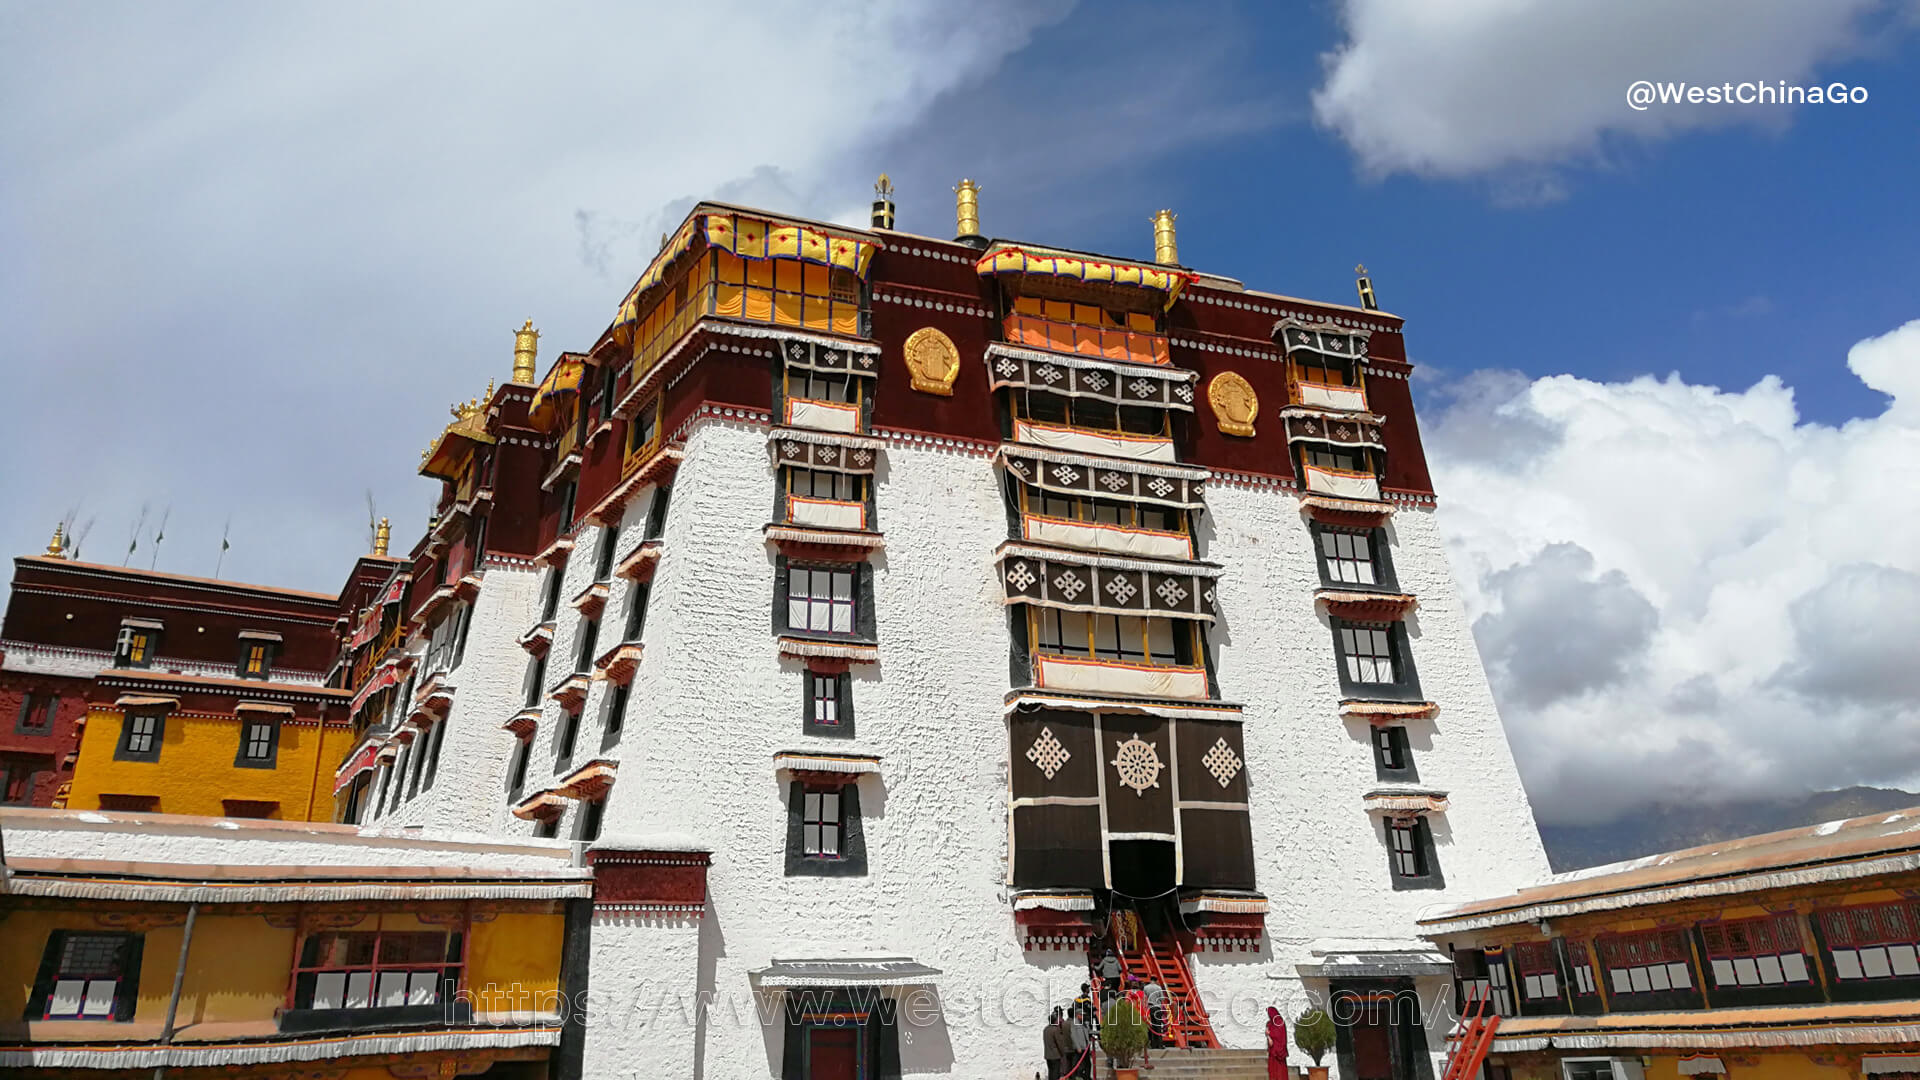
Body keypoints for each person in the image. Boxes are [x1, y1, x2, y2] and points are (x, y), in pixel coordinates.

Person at [1068, 984, 1094, 1078]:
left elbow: (1086, 1032)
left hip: (1085, 1046)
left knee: (1087, 1063)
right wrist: (1078, 1046)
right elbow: (1073, 1035)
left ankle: (1086, 1077)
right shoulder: (1086, 1000)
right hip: (1079, 1047)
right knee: (1077, 1063)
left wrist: (1088, 1042)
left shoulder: (1077, 999)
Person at [1043, 1006, 1071, 1080]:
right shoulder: (1055, 1030)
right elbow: (1059, 1042)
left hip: (1048, 1054)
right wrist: (1062, 1052)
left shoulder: (1046, 1029)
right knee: (1056, 1073)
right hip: (1055, 1055)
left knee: (1051, 1072)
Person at [1265, 1006, 1290, 1080]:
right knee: (1273, 1070)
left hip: (1279, 1050)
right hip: (1273, 1051)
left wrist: (1270, 1033)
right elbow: (1268, 1035)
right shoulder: (1269, 1023)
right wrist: (1268, 1035)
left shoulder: (1279, 1021)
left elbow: (1279, 1034)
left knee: (1280, 1071)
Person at [1143, 976, 1168, 1048]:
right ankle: (1160, 1044)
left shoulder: (1146, 987)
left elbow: (1144, 998)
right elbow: (1162, 998)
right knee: (1158, 1026)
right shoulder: (1158, 988)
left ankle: (1153, 1044)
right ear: (1156, 980)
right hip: (1157, 1007)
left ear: (1150, 980)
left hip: (1150, 1007)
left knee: (1152, 1026)